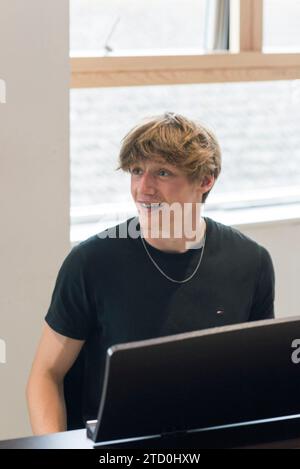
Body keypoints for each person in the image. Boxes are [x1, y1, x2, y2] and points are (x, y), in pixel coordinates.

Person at [26, 112, 275, 435]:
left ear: (205, 180)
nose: (144, 188)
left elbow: (262, 374)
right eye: (136, 171)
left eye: (162, 172)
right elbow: (45, 374)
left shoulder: (251, 261)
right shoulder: (91, 262)